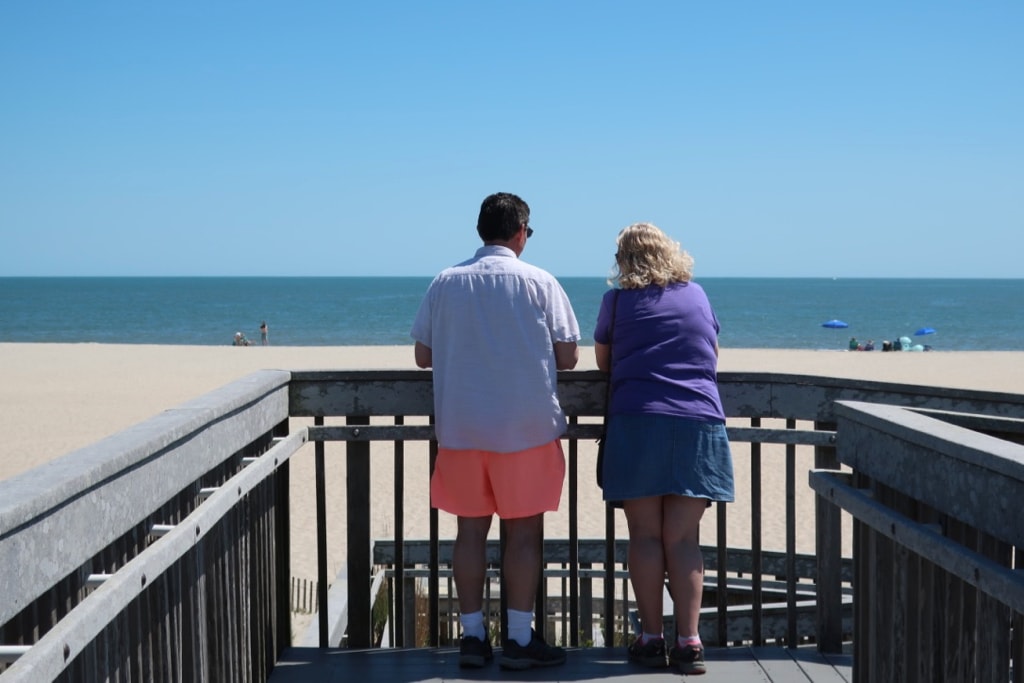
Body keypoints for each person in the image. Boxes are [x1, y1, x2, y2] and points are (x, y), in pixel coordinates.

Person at [410, 192, 580, 671]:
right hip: (525, 429)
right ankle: (520, 640)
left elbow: (423, 355)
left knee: (469, 534)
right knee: (523, 537)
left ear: (480, 230)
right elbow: (568, 357)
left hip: (462, 428)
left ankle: (472, 637)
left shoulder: (446, 281)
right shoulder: (540, 282)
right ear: (521, 232)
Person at [593, 222, 734, 676]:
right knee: (684, 539)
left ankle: (651, 639)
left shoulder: (616, 301)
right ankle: (689, 643)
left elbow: (604, 361)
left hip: (637, 420)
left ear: (623, 262)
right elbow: (711, 351)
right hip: (697, 420)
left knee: (646, 537)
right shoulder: (697, 295)